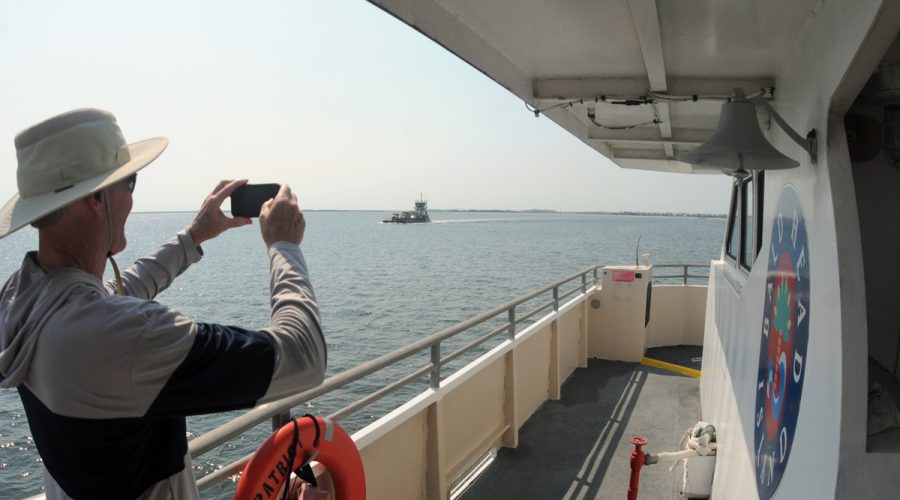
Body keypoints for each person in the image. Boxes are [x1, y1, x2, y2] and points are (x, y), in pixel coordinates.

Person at [0, 109, 328, 499]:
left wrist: (194, 236)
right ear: (94, 198)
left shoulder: (22, 298)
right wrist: (283, 245)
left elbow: (110, 298)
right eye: (130, 182)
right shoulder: (120, 338)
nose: (133, 199)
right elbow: (304, 356)